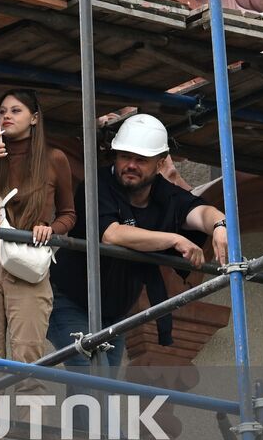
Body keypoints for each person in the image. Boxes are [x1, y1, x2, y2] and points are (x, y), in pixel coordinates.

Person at [47, 114, 229, 369]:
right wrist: (175, 239)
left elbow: (199, 212)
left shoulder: (164, 195)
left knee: (105, 389)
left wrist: (220, 225)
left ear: (160, 163)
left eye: (141, 159)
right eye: (125, 156)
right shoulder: (97, 184)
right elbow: (112, 234)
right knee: (87, 373)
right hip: (69, 299)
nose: (130, 165)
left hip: (114, 313)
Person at [0, 90, 75, 390]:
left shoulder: (54, 159)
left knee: (29, 364)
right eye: (1, 111)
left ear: (35, 118)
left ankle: (31, 439)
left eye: (16, 110)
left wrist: (52, 228)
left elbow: (69, 213)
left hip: (28, 257)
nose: (6, 116)